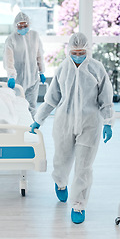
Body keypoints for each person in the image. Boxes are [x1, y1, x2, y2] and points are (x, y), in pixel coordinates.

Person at [30, 32, 114, 224]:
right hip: (64, 122)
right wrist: (38, 119)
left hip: (90, 123)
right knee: (61, 158)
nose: (78, 55)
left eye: (81, 51)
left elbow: (106, 99)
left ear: (87, 50)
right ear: (69, 50)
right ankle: (60, 183)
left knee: (84, 166)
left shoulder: (97, 69)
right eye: (74, 52)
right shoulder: (62, 69)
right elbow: (51, 98)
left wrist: (108, 122)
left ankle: (78, 204)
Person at [3, 12, 46, 118]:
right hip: (18, 78)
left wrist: (42, 71)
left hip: (33, 76)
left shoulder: (35, 36)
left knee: (31, 106)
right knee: (17, 105)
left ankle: (31, 130)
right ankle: (18, 130)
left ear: (29, 24)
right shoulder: (11, 39)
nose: (23, 28)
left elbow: (39, 54)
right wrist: (11, 75)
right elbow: (9, 59)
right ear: (15, 26)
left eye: (25, 26)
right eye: (20, 26)